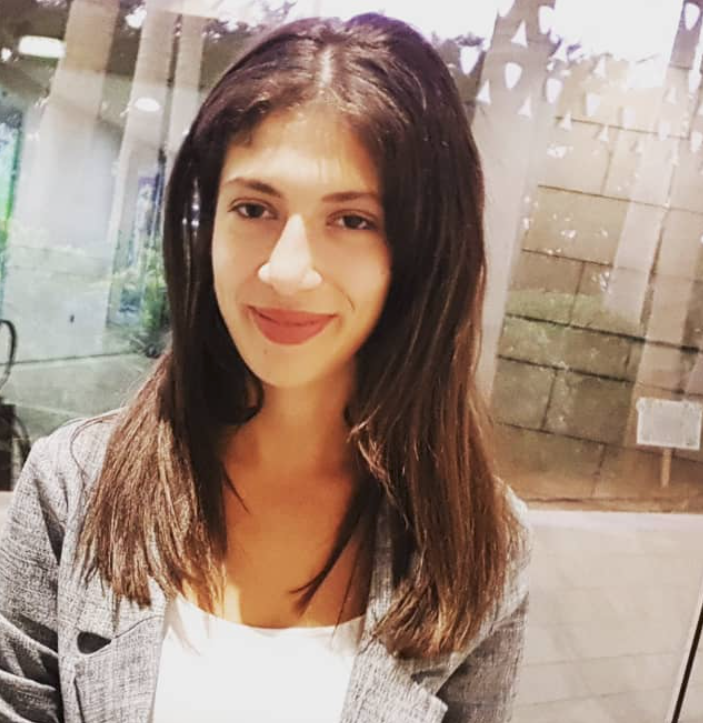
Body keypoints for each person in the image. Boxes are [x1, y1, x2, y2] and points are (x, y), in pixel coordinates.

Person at [0, 12, 532, 723]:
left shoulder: (478, 546)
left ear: (420, 254)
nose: (286, 270)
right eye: (254, 208)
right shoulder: (71, 488)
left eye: (352, 220)